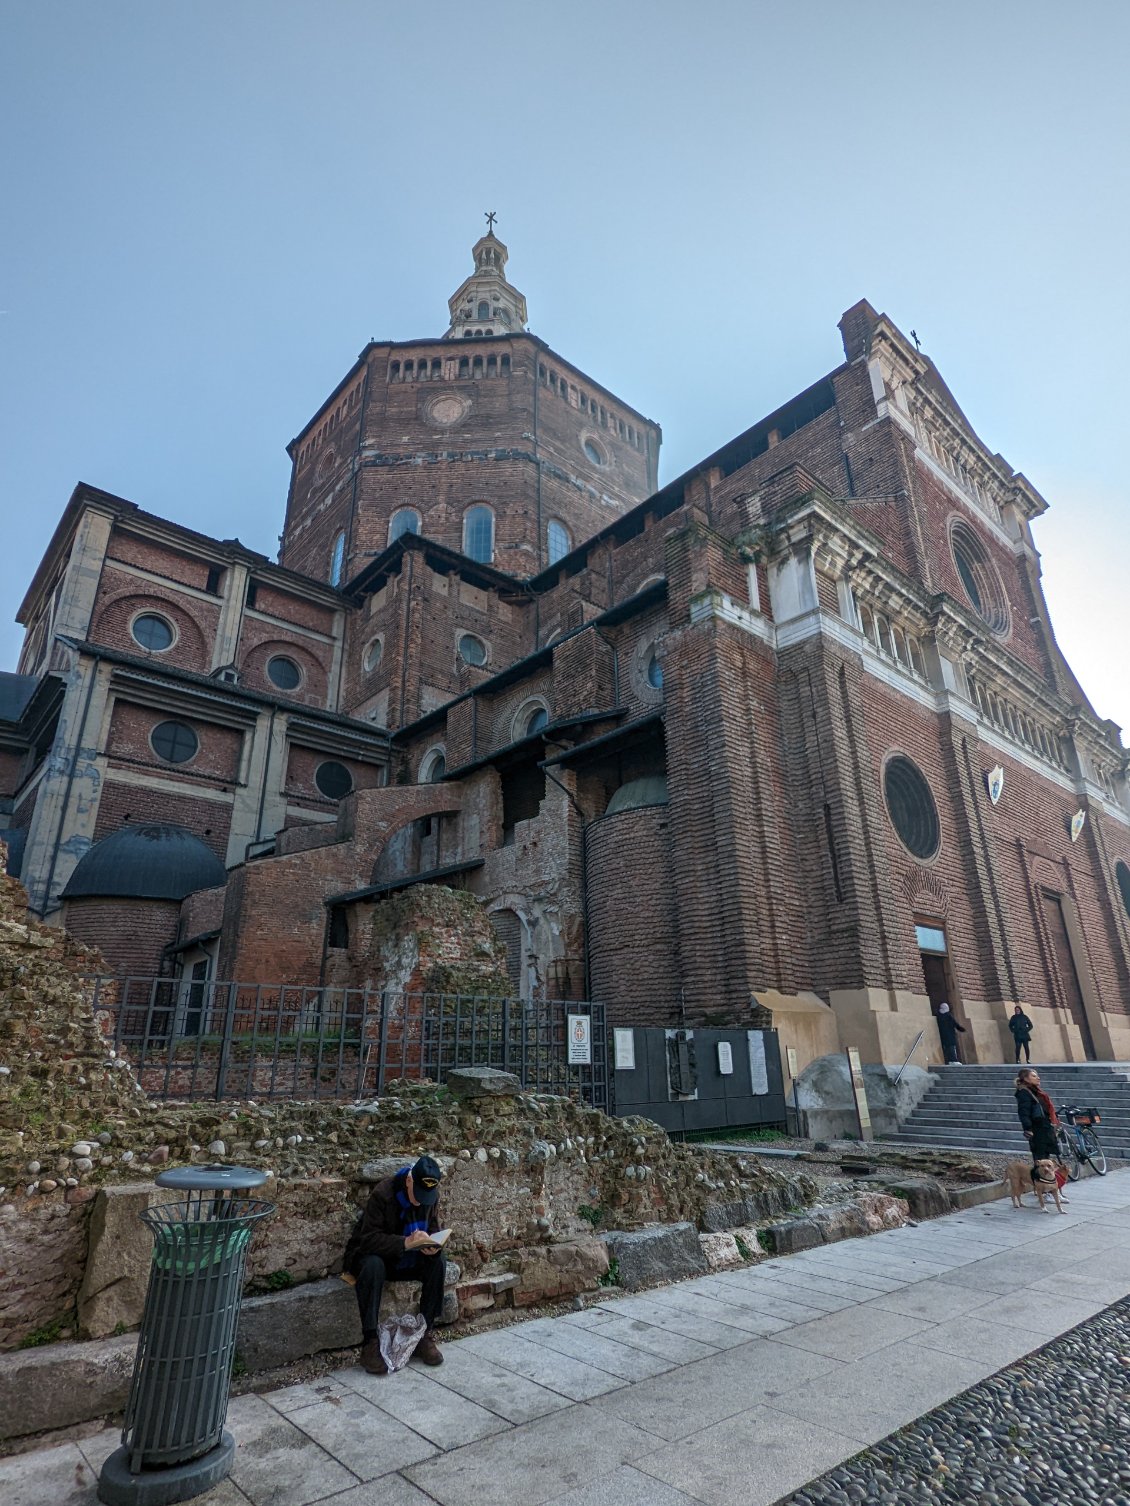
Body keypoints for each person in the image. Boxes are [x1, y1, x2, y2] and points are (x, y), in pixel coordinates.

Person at [343, 1154, 447, 1375]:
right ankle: (370, 1342)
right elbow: (368, 1240)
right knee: (372, 1265)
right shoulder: (384, 1193)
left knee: (438, 1261)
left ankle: (424, 1334)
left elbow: (434, 1227)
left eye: (426, 1196)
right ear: (409, 1180)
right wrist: (406, 1242)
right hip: (375, 1257)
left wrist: (433, 1244)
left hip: (407, 1258)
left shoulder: (430, 1196)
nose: (420, 1201)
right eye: (417, 1194)